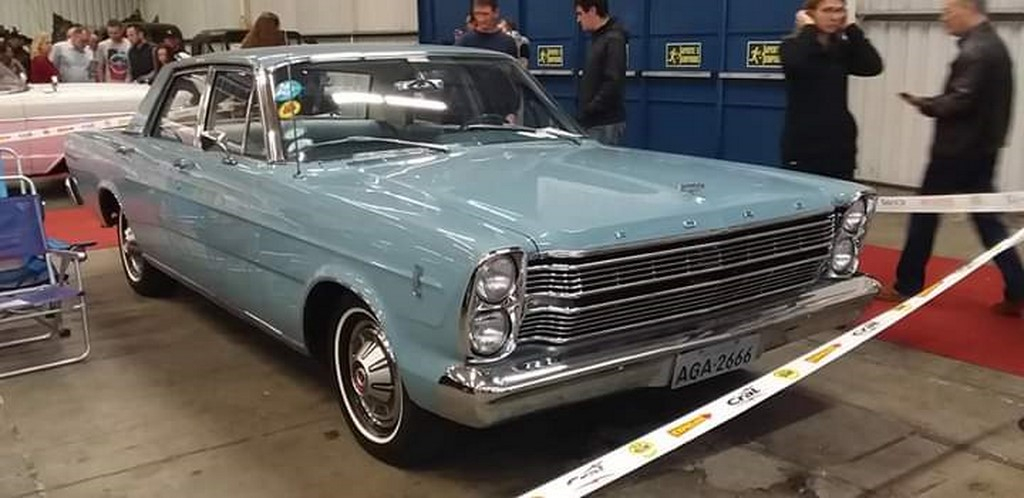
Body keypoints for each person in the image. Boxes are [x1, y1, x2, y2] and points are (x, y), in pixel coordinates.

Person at [881, 0, 1023, 318]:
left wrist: (926, 104)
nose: (943, 17)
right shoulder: (992, 45)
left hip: (956, 153)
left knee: (924, 215)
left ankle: (907, 285)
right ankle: (1018, 288)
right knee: (988, 221)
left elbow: (959, 101)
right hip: (981, 150)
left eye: (948, 11)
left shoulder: (977, 51)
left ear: (966, 8)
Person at [780, 0, 883, 180]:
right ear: (810, 14)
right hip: (804, 141)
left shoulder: (841, 49)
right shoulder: (791, 46)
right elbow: (797, 63)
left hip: (839, 141)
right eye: (827, 10)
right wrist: (809, 29)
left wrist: (851, 29)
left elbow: (872, 66)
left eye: (839, 10)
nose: (835, 17)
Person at [574, 0, 628, 146]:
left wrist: (590, 108)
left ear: (592, 10)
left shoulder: (613, 39)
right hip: (596, 122)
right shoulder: (600, 38)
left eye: (580, 14)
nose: (578, 20)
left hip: (603, 123)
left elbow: (614, 81)